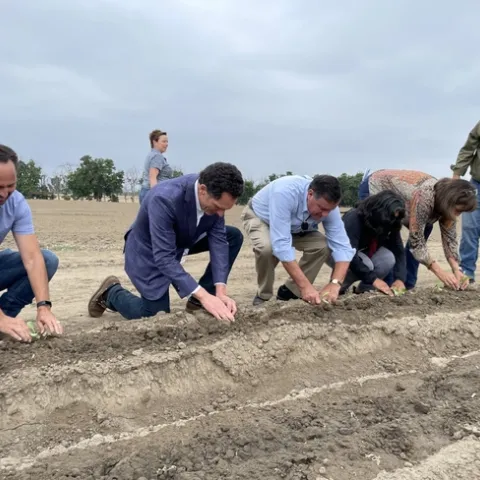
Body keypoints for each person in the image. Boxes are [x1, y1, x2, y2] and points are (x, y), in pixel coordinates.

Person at [88, 162, 244, 322]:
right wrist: (204, 295)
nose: (220, 214)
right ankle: (111, 293)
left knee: (232, 236)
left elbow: (218, 241)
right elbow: (164, 257)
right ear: (202, 190)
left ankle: (199, 300)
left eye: (225, 209)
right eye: (218, 207)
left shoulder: (214, 196)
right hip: (149, 250)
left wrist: (220, 292)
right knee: (155, 314)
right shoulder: (164, 199)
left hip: (183, 239)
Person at [241, 174, 355, 306]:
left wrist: (335, 284)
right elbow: (282, 246)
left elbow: (342, 247)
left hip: (296, 226)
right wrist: (305, 286)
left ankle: (290, 292)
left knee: (323, 245)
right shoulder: (284, 193)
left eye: (329, 210)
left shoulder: (328, 206)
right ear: (310, 194)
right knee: (267, 248)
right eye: (322, 208)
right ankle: (263, 296)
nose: (325, 215)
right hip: (263, 218)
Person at [358, 169, 477, 290]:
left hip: (409, 204)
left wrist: (457, 270)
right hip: (375, 187)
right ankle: (375, 286)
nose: (458, 215)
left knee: (423, 233)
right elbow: (417, 244)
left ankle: (407, 284)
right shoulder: (425, 197)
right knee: (386, 239)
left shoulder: (447, 207)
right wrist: (441, 273)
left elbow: (450, 240)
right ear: (449, 202)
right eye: (458, 211)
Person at [0, 145, 63, 342]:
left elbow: (32, 258)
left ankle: (7, 318)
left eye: (10, 186)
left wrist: (44, 306)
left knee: (47, 260)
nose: (4, 194)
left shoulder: (16, 203)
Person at [336, 190, 407, 296]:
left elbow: (398, 249)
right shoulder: (354, 218)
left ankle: (365, 290)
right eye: (390, 218)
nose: (392, 221)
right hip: (340, 252)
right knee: (366, 265)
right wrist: (374, 279)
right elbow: (349, 255)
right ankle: (337, 287)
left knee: (388, 258)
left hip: (363, 251)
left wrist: (400, 278)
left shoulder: (391, 220)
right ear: (379, 211)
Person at [451, 120, 480, 284]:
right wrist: (457, 174)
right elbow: (469, 148)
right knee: (470, 228)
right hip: (477, 185)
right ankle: (466, 274)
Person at [139, 129, 173, 204]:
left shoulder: (152, 154)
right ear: (155, 142)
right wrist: (155, 197)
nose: (166, 144)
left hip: (147, 192)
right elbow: (152, 178)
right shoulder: (157, 156)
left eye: (167, 142)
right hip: (153, 193)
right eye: (164, 141)